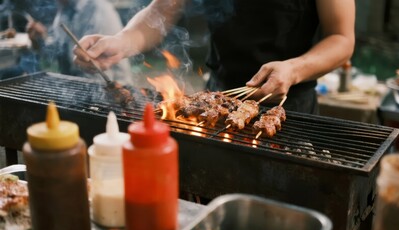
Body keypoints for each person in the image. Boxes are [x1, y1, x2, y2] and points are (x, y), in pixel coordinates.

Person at [74, 0, 355, 113]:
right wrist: (121, 41)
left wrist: (293, 69)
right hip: (220, 98)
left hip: (291, 105)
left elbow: (341, 38)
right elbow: (163, 9)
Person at [25, 0, 132, 84]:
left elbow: (99, 74)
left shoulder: (98, 10)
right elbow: (59, 52)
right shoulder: (64, 9)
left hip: (111, 88)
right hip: (78, 82)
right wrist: (39, 40)